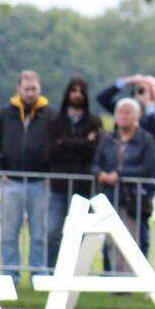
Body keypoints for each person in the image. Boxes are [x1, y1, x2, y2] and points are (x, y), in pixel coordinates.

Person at [0, 70, 57, 284]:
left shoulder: (50, 114)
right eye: (26, 89)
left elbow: (57, 146)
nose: (30, 93)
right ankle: (9, 274)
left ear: (39, 88)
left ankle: (38, 275)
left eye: (33, 88)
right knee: (9, 232)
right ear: (18, 89)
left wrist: (51, 174)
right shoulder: (5, 113)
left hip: (40, 182)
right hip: (12, 182)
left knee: (39, 233)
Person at [91, 97, 155, 273]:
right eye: (120, 112)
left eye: (128, 112)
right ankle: (114, 276)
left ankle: (129, 279)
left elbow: (147, 166)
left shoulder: (146, 140)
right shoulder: (108, 139)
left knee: (131, 239)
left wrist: (120, 174)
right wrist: (100, 174)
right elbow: (96, 162)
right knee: (111, 240)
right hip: (110, 196)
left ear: (137, 116)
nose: (123, 116)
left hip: (133, 199)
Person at [45, 76, 104, 268]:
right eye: (73, 90)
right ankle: (52, 270)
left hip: (83, 185)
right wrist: (83, 142)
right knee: (54, 231)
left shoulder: (94, 121)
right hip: (59, 184)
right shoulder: (55, 121)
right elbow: (51, 151)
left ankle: (72, 271)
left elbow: (95, 151)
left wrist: (66, 142)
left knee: (79, 232)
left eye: (81, 91)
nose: (77, 95)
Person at [95, 74, 155, 143]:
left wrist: (148, 107)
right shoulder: (125, 110)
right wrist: (126, 81)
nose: (142, 93)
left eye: (145, 90)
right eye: (140, 90)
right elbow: (102, 98)